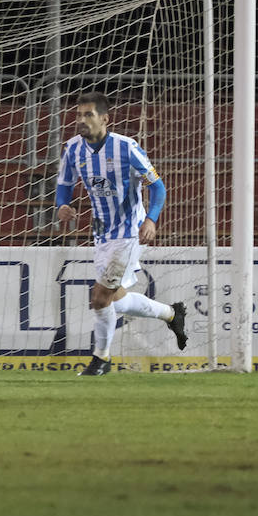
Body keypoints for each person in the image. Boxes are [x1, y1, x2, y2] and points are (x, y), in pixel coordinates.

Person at [55, 91, 187, 376]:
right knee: (116, 298)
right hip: (101, 233)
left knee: (100, 298)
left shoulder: (127, 148)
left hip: (129, 233)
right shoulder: (73, 148)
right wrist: (62, 205)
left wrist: (150, 219)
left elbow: (158, 187)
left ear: (105, 119)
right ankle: (172, 314)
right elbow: (64, 183)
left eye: (88, 115)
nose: (81, 120)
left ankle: (101, 359)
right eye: (78, 115)